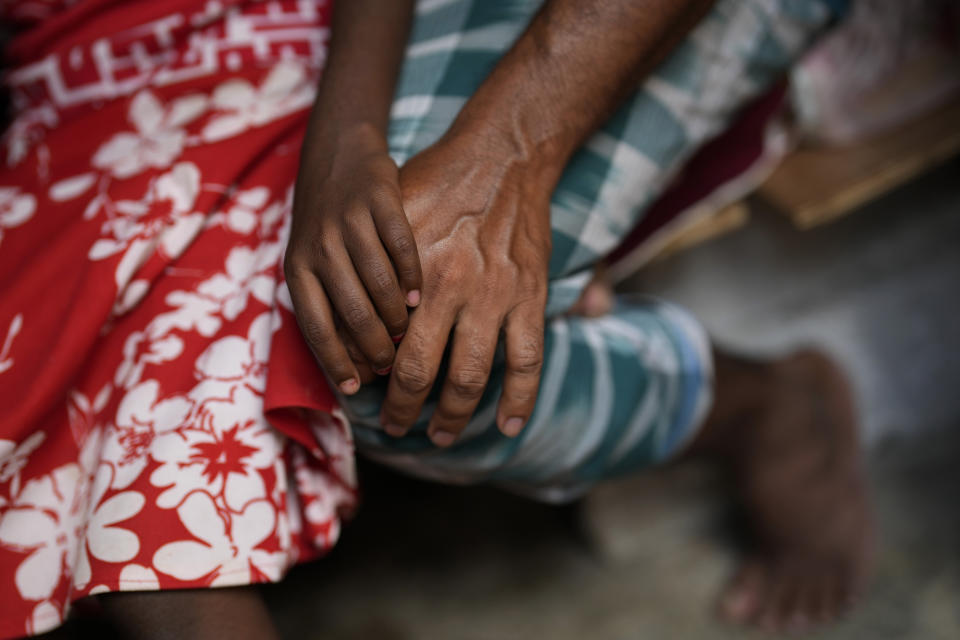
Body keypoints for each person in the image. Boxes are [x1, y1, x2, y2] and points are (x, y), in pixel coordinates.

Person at [0, 0, 870, 638]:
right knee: (114, 486)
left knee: (401, 328)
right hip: (83, 116)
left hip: (279, 40)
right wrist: (351, 148)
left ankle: (752, 404)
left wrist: (488, 162)